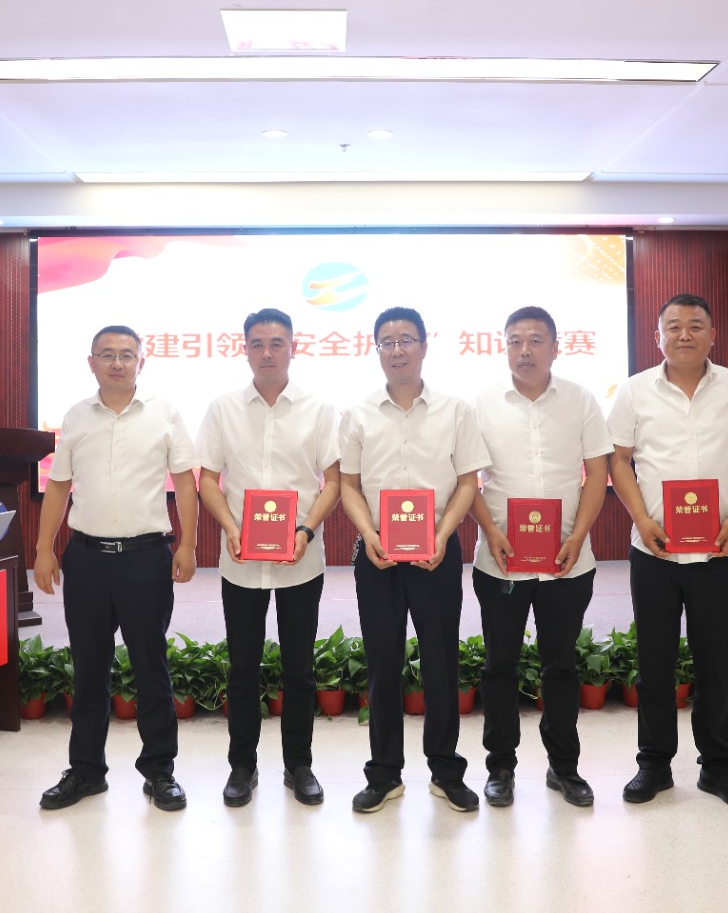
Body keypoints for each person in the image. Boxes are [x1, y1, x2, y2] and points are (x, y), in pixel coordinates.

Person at [608, 293, 728, 808]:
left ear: (712, 334)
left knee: (715, 661)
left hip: (720, 549)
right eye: (674, 325)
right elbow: (618, 460)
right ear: (657, 335)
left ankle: (718, 767)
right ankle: (654, 764)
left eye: (696, 325)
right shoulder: (634, 391)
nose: (685, 334)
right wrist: (642, 519)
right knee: (654, 660)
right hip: (654, 550)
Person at [32, 325, 200, 812]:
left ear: (141, 361)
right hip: (86, 558)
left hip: (146, 557)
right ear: (92, 363)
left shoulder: (164, 413)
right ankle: (86, 771)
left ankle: (160, 771)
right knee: (89, 668)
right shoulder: (75, 416)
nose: (118, 363)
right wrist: (44, 548)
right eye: (107, 354)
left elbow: (185, 483)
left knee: (151, 666)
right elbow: (58, 485)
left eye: (127, 354)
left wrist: (188, 544)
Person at [339, 306, 491, 813]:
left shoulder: (456, 411)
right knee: (382, 665)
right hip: (378, 555)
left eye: (406, 339)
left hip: (437, 555)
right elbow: (349, 485)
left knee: (441, 663)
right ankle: (384, 774)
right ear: (376, 350)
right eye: (387, 341)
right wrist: (368, 534)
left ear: (425, 346)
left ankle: (446, 771)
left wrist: (443, 535)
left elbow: (468, 481)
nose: (397, 349)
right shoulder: (358, 413)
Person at [197, 308, 341, 808]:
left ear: (293, 348)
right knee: (243, 668)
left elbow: (333, 482)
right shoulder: (223, 409)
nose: (267, 352)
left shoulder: (318, 410)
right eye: (257, 344)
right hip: (241, 560)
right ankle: (242, 766)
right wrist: (230, 526)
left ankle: (298, 765)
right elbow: (207, 479)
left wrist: (305, 529)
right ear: (245, 350)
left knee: (299, 669)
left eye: (277, 343)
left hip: (301, 557)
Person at [469, 306, 612, 808]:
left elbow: (598, 473)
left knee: (562, 667)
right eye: (515, 341)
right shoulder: (481, 404)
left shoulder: (581, 400)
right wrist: (490, 532)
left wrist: (579, 535)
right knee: (499, 666)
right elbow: (468, 480)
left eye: (535, 340)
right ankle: (500, 768)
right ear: (504, 347)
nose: (524, 350)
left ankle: (564, 767)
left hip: (567, 561)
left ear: (556, 346)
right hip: (501, 561)